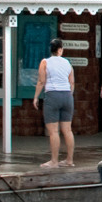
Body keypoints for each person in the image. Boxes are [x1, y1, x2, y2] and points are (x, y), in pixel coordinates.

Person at [31, 39, 75, 168]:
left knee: (54, 132)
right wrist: (69, 95)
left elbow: (41, 81)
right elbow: (72, 82)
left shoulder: (45, 62)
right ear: (60, 49)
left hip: (52, 95)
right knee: (67, 130)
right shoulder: (68, 63)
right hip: (67, 95)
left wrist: (35, 97)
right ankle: (69, 160)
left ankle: (54, 161)